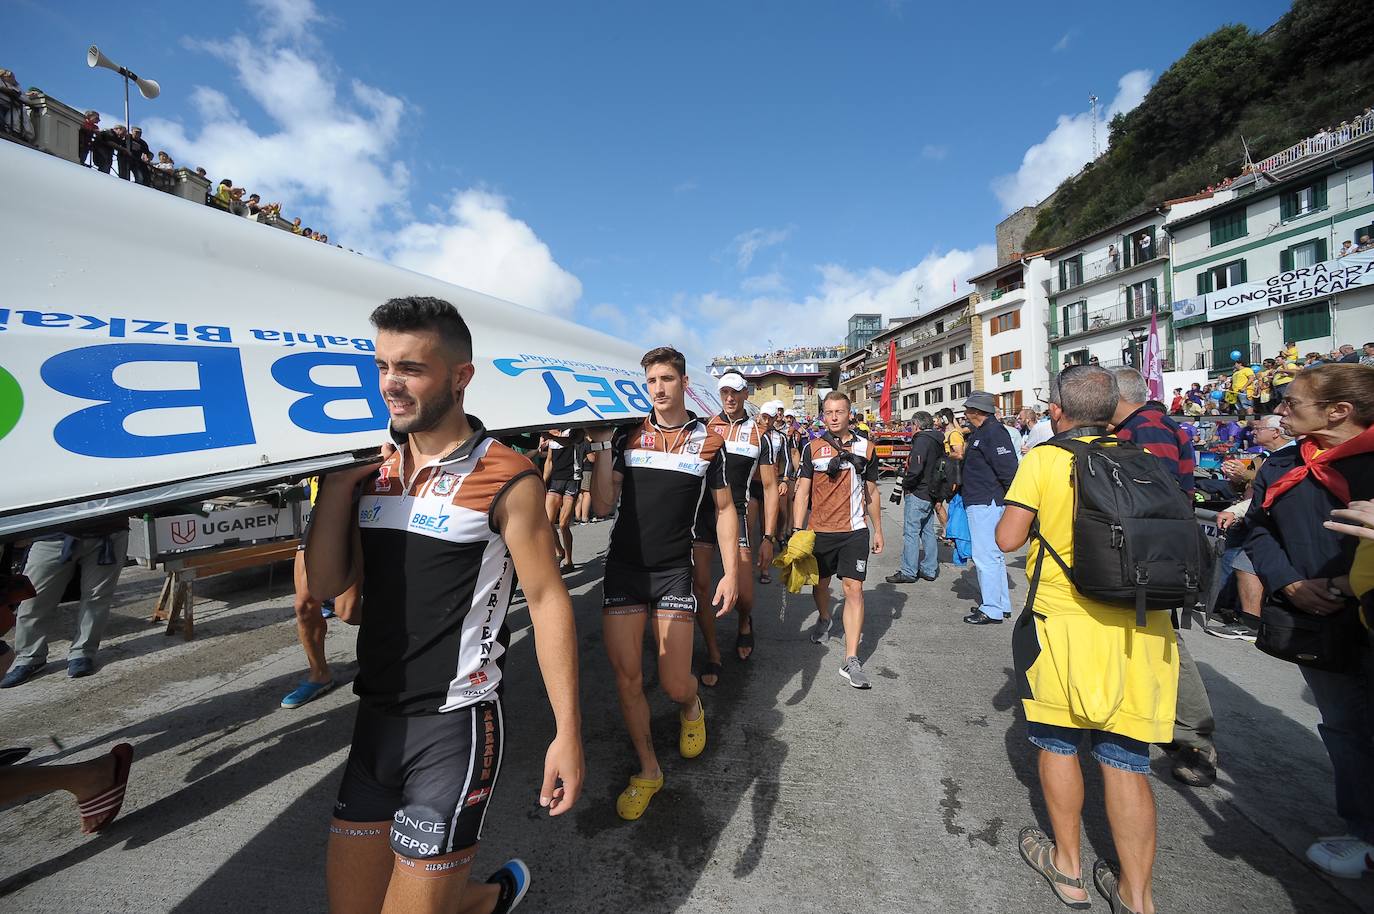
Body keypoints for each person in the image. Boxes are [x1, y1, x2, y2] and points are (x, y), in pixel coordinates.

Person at [305, 296, 583, 913]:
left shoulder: (508, 474)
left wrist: (567, 731)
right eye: (383, 366)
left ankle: (478, 898)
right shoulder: (373, 471)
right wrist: (336, 489)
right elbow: (328, 588)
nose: (391, 384)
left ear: (461, 377)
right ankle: (483, 901)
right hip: (376, 720)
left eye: (411, 368)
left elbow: (547, 600)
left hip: (456, 725)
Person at [998, 365, 1178, 914]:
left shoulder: (1044, 459)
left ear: (1057, 410)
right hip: (1140, 627)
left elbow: (1008, 538)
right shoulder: (1143, 458)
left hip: (1064, 623)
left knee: (1058, 743)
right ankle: (1136, 896)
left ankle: (1069, 867)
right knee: (1125, 758)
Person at [588, 346, 736, 821]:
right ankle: (649, 770)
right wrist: (599, 448)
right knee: (628, 679)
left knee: (673, 684)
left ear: (684, 382)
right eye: (651, 380)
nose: (658, 388)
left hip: (674, 570)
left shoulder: (709, 440)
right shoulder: (627, 434)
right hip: (625, 569)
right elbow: (602, 505)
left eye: (667, 379)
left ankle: (692, 706)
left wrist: (732, 571)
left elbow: (725, 509)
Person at [1245, 363, 1374, 879]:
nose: (1280, 410)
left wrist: (1346, 583)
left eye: (1292, 403)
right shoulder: (1282, 464)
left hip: (1362, 607)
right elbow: (1258, 531)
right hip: (1316, 617)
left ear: (1339, 411)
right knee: (1343, 727)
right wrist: (1289, 583)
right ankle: (1363, 828)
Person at [1109, 368, 1217, 789]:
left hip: (1153, 551)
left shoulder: (1148, 427)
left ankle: (1193, 738)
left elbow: (1155, 496)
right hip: (1149, 550)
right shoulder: (1140, 425)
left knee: (1164, 638)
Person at [792, 391, 883, 687]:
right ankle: (824, 617)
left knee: (854, 589)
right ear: (823, 416)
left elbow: (872, 492)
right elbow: (802, 492)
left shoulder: (866, 448)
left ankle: (851, 658)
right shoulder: (811, 448)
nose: (833, 417)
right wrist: (796, 531)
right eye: (828, 412)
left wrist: (878, 529)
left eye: (839, 412)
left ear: (849, 414)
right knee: (821, 585)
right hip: (820, 531)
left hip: (854, 530)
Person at [691, 373, 777, 684]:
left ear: (746, 394)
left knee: (744, 592)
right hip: (703, 514)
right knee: (701, 587)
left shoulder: (759, 433)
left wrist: (768, 537)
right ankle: (713, 653)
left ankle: (744, 622)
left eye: (736, 392)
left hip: (736, 512)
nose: (729, 397)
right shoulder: (704, 428)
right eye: (724, 391)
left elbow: (770, 487)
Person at [1, 515, 131, 687]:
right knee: (33, 599)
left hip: (109, 530)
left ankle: (83, 653)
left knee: (97, 598)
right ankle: (29, 657)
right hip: (52, 532)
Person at [281, 478, 363, 710]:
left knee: (348, 612)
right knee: (304, 605)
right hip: (325, 509)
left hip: (364, 505)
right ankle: (319, 675)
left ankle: (402, 641)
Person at [959, 392, 1018, 625]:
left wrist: (1011, 502)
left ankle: (992, 608)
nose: (965, 414)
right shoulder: (984, 432)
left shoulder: (993, 432)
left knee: (985, 556)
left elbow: (1008, 469)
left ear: (977, 411)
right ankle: (1000, 604)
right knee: (993, 556)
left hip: (986, 501)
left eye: (968, 410)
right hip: (982, 499)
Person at [886, 410, 944, 585]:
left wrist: (906, 484)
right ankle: (929, 569)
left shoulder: (922, 440)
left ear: (916, 425)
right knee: (928, 531)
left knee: (911, 533)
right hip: (931, 491)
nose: (910, 429)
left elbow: (916, 468)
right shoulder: (937, 440)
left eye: (911, 425)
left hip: (918, 491)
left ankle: (908, 571)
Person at [541, 428, 579, 572]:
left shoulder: (575, 430)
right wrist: (542, 481)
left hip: (572, 480)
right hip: (556, 481)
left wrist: (551, 436)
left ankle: (569, 562)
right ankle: (559, 551)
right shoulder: (551, 434)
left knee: (563, 524)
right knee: (547, 522)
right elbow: (549, 461)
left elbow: (569, 442)